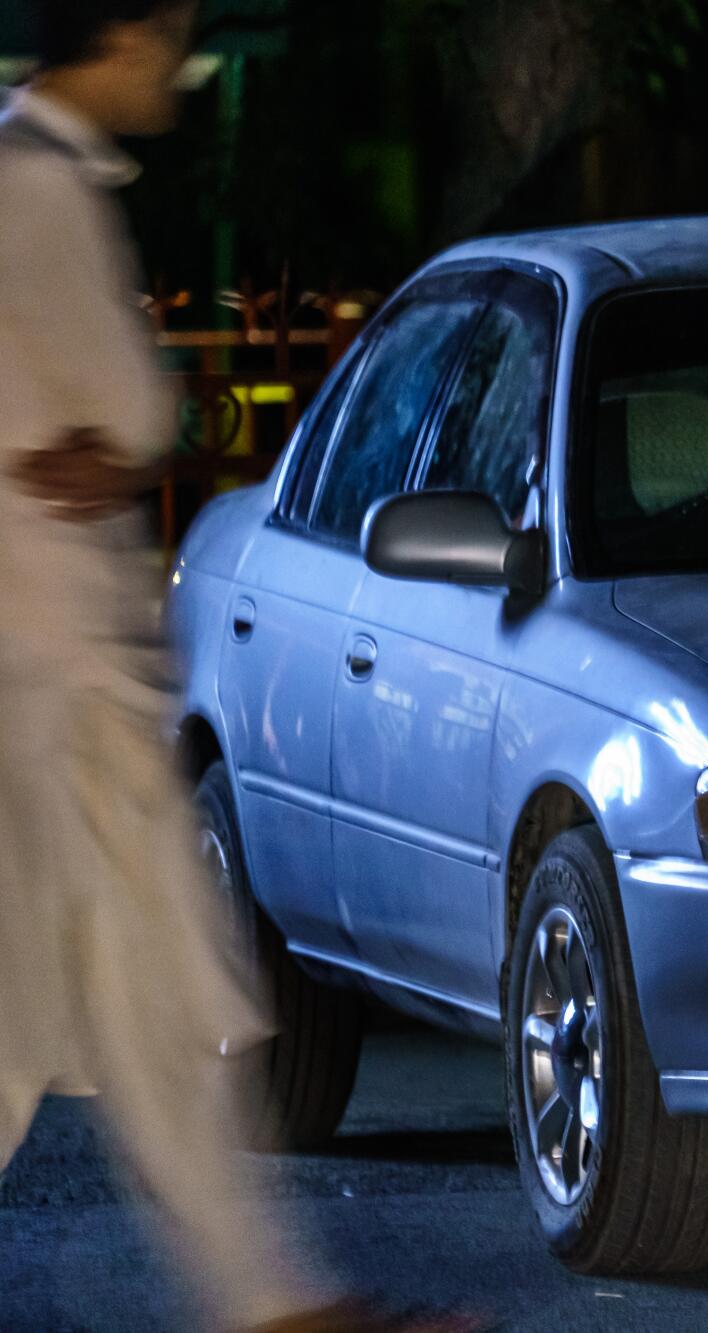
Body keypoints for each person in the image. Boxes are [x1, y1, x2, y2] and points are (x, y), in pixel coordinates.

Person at [0, 6, 469, 1329]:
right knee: (101, 1016)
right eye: (176, 38)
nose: (188, 70)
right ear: (127, 36)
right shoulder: (33, 195)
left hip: (60, 677)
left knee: (136, 1021)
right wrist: (107, 433)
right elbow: (137, 406)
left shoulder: (29, 180)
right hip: (56, 686)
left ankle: (270, 1301)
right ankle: (271, 1304)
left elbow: (113, 421)